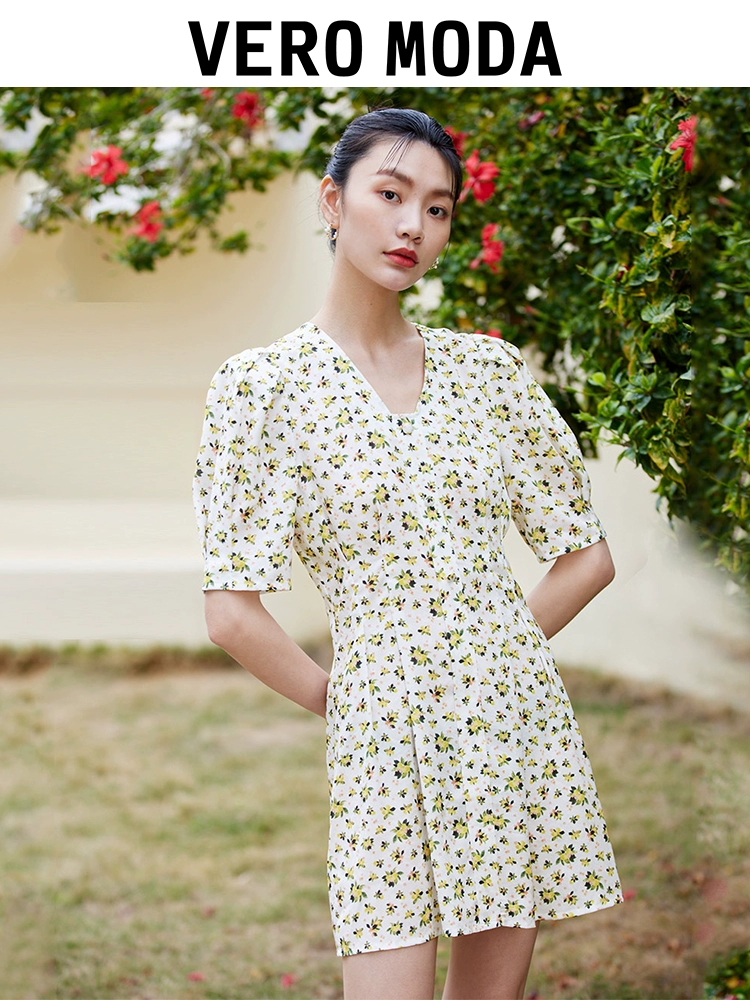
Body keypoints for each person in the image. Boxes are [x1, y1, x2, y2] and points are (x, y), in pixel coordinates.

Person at [192, 107, 623, 1000]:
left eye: (437, 208)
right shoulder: (262, 387)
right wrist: (354, 698)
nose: (412, 226)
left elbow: (587, 558)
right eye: (390, 195)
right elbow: (231, 612)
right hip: (379, 738)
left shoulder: (488, 375)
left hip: (505, 723)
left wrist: (486, 653)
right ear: (332, 201)